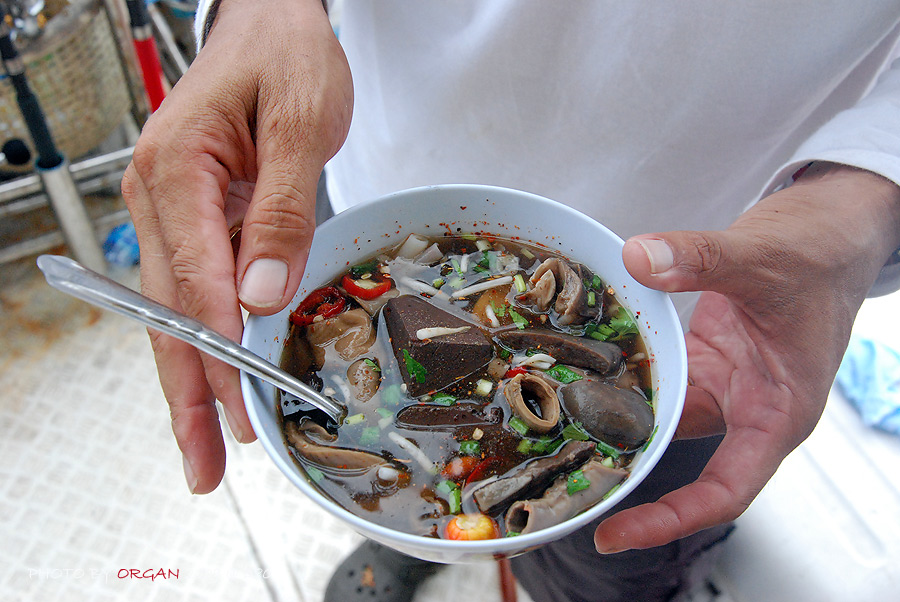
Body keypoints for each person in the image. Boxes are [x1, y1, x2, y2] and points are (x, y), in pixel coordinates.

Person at [121, 1, 900, 600]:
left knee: (620, 563)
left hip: (710, 321)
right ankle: (416, 535)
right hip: (362, 182)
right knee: (420, 484)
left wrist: (866, 192)